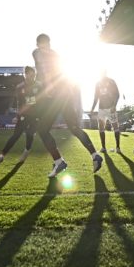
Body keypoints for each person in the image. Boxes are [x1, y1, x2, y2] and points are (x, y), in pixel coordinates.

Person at [33, 33, 103, 177]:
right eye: (43, 46)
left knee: (43, 129)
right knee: (74, 128)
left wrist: (50, 86)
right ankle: (95, 155)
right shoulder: (46, 54)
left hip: (58, 96)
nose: (45, 48)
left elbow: (48, 71)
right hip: (63, 94)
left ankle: (59, 162)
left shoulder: (45, 54)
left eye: (47, 45)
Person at [0, 66, 41, 164]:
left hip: (36, 115)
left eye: (34, 75)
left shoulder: (39, 85)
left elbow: (43, 101)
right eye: (31, 74)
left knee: (30, 134)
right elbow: (19, 103)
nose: (33, 77)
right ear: (26, 74)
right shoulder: (20, 87)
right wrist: (17, 116)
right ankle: (1, 155)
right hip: (24, 115)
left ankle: (26, 151)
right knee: (15, 136)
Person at [89, 70, 121, 153]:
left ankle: (118, 147)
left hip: (111, 108)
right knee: (101, 128)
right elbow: (96, 97)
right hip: (101, 109)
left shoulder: (111, 81)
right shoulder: (98, 83)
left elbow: (117, 94)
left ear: (105, 73)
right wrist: (92, 108)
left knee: (115, 127)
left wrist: (114, 105)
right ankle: (103, 148)